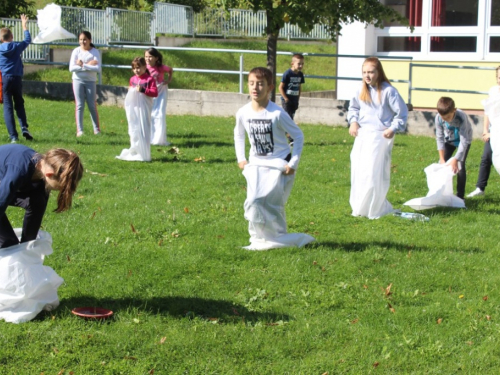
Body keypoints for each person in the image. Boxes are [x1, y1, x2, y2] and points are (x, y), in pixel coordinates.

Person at [234, 67, 314, 250]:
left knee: (272, 204)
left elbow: (298, 136)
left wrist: (293, 163)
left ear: (270, 87)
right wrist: (241, 158)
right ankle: (257, 238)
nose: (255, 88)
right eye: (252, 83)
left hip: (278, 165)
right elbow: (238, 134)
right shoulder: (243, 112)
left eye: (260, 84)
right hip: (255, 164)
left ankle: (278, 236)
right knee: (253, 200)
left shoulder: (277, 113)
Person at [347, 57, 408, 219]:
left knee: (373, 173)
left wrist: (392, 128)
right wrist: (353, 122)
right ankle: (360, 207)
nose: (367, 76)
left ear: (378, 72)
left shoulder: (389, 91)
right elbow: (353, 108)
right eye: (364, 72)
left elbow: (401, 113)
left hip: (380, 136)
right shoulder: (360, 90)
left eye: (371, 72)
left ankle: (374, 206)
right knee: (359, 171)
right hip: (363, 136)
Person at [0, 144, 84, 249]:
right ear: (49, 174)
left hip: (5, 185)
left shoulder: (42, 172)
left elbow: (37, 212)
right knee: (9, 245)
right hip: (4, 187)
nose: (60, 190)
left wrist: (28, 248)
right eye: (59, 187)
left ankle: (25, 251)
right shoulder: (19, 171)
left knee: (38, 201)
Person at [116, 57, 158, 162]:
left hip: (144, 108)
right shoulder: (132, 80)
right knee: (134, 129)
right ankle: (135, 150)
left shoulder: (149, 79)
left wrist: (143, 90)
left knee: (144, 129)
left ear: (144, 67)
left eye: (138, 67)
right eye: (134, 68)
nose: (136, 70)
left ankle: (144, 154)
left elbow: (154, 92)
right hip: (134, 108)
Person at [467, 67, 500, 198]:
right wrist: (486, 130)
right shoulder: (493, 90)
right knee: (486, 158)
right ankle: (480, 188)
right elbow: (488, 112)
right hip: (493, 132)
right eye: (499, 77)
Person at [0, 14, 33, 143]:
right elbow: (27, 40)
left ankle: (13, 136)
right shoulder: (16, 47)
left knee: (7, 107)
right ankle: (24, 127)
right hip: (17, 78)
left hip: (5, 79)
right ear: (11, 37)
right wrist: (24, 26)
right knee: (19, 103)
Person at [435, 97, 472, 200]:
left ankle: (460, 197)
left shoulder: (461, 116)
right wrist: (442, 158)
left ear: (454, 111)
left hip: (464, 141)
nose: (445, 120)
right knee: (440, 164)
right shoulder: (438, 118)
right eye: (443, 118)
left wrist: (456, 159)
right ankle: (441, 193)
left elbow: (464, 141)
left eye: (447, 117)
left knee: (460, 166)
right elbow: (440, 138)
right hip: (449, 141)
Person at [69, 31, 101, 137]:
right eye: (81, 39)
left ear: (90, 40)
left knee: (92, 105)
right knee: (79, 105)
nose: (83, 41)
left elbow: (97, 68)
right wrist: (87, 65)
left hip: (90, 81)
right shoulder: (76, 51)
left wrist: (83, 65)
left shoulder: (95, 52)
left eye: (85, 39)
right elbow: (71, 68)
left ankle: (96, 130)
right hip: (77, 80)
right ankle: (80, 131)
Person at [145, 48, 173, 146]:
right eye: (146, 57)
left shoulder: (160, 67)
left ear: (156, 58)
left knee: (159, 114)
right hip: (150, 92)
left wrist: (168, 80)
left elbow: (170, 70)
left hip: (160, 91)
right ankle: (151, 137)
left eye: (150, 57)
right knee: (150, 114)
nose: (148, 59)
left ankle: (159, 139)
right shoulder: (145, 67)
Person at [279, 53, 305, 121]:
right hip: (287, 100)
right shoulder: (287, 73)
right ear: (292, 63)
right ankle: (285, 131)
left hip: (295, 99)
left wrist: (298, 99)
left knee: (291, 118)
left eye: (302, 64)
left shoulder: (300, 74)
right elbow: (280, 87)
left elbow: (299, 87)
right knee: (288, 118)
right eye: (299, 64)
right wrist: (286, 99)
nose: (301, 66)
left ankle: (287, 131)